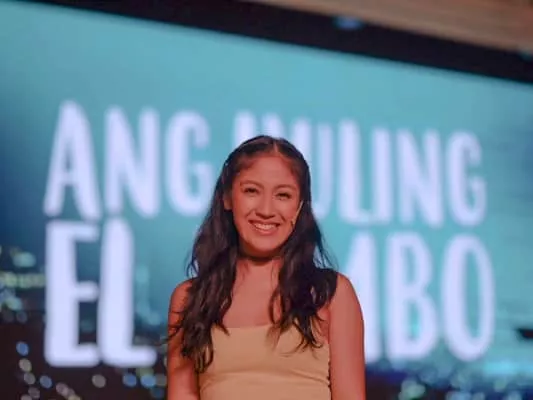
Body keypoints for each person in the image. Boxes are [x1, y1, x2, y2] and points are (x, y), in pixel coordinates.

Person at [166, 135, 366, 400]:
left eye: (283, 195)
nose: (266, 210)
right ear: (227, 197)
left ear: (300, 206)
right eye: (251, 191)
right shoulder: (191, 299)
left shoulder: (331, 294)